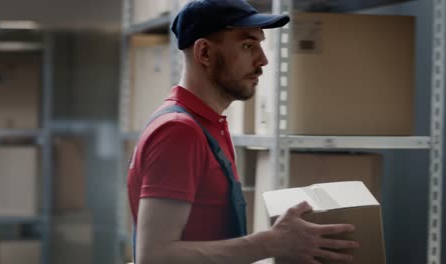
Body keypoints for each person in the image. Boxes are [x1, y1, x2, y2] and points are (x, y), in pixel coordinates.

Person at [127, 0, 360, 263]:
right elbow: (155, 256)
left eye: (260, 45)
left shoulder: (208, 126)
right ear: (204, 53)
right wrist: (271, 242)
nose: (263, 60)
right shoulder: (179, 132)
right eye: (248, 46)